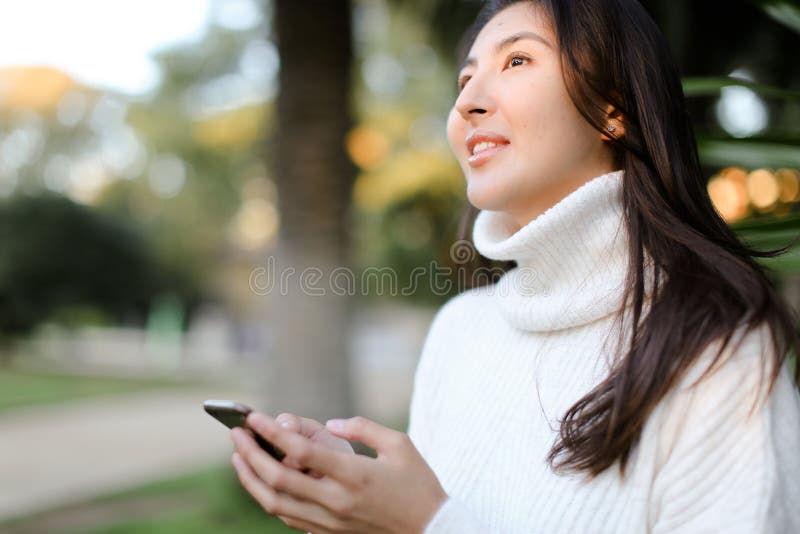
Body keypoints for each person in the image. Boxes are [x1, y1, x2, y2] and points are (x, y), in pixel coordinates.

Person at [228, 0, 800, 532]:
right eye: (465, 79)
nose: (467, 102)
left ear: (613, 108)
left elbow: (436, 520)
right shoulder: (460, 329)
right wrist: (367, 503)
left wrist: (430, 522)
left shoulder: (721, 346)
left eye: (517, 60)